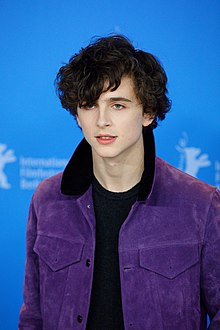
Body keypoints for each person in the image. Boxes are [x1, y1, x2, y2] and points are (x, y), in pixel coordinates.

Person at [19, 35, 220, 330]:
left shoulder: (200, 204)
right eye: (89, 105)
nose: (102, 120)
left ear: (148, 113)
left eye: (118, 105)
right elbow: (33, 317)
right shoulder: (47, 199)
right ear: (77, 114)